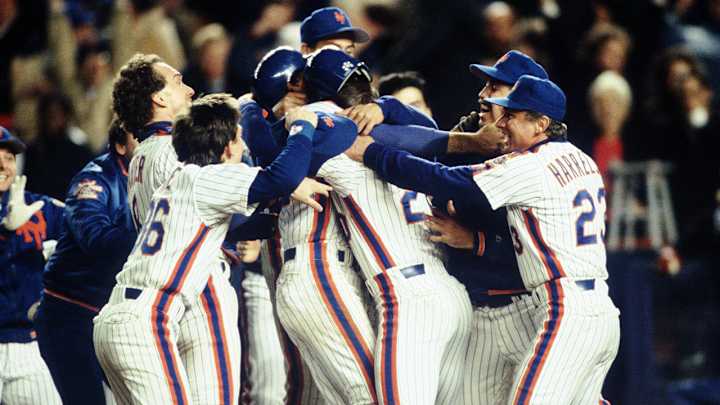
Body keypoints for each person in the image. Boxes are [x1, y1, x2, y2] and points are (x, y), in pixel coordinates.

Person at [346, 75, 620, 404]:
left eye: (512, 116)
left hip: (567, 309)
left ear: (541, 124)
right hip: (598, 308)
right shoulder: (581, 158)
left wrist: (373, 154)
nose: (501, 123)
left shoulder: (530, 166)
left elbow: (441, 179)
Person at [94, 93, 329, 405]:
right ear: (228, 146)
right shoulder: (209, 177)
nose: (243, 147)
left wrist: (279, 202)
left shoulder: (183, 178)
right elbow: (282, 176)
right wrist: (302, 127)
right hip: (147, 320)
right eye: (240, 139)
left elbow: (249, 222)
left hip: (118, 317)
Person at [304, 48, 473, 405]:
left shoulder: (340, 142)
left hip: (409, 297)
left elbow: (289, 152)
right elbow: (429, 131)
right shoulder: (410, 144)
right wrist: (386, 107)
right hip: (453, 296)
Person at [35, 120, 138, 405]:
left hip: (115, 313)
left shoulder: (157, 178)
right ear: (121, 145)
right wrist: (155, 234)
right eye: (141, 137)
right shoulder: (94, 179)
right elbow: (94, 237)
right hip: (71, 313)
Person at [0, 126, 63, 405]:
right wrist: (5, 233)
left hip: (27, 346)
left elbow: (88, 229)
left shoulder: (37, 208)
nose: (4, 166)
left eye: (9, 158)